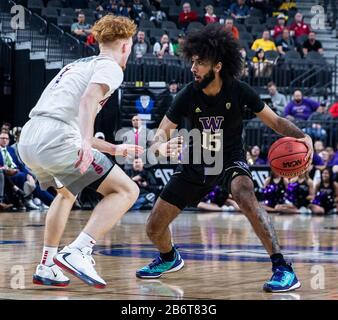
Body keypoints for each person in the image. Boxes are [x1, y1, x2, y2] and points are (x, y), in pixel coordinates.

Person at [135, 23, 313, 293]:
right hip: (195, 162)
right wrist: (162, 147)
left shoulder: (238, 90)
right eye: (192, 61)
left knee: (244, 193)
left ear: (217, 66)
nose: (193, 68)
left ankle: (282, 268)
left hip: (229, 157)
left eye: (200, 63)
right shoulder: (187, 95)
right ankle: (170, 257)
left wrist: (303, 137)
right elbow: (160, 135)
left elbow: (276, 122)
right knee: (153, 228)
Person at [18, 15, 143, 289]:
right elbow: (87, 102)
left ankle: (47, 266)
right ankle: (79, 250)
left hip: (29, 137)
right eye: (131, 47)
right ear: (125, 46)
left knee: (66, 194)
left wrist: (113, 148)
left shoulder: (77, 66)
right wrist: (86, 142)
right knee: (127, 191)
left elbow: (70, 122)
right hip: (57, 138)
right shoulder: (111, 67)